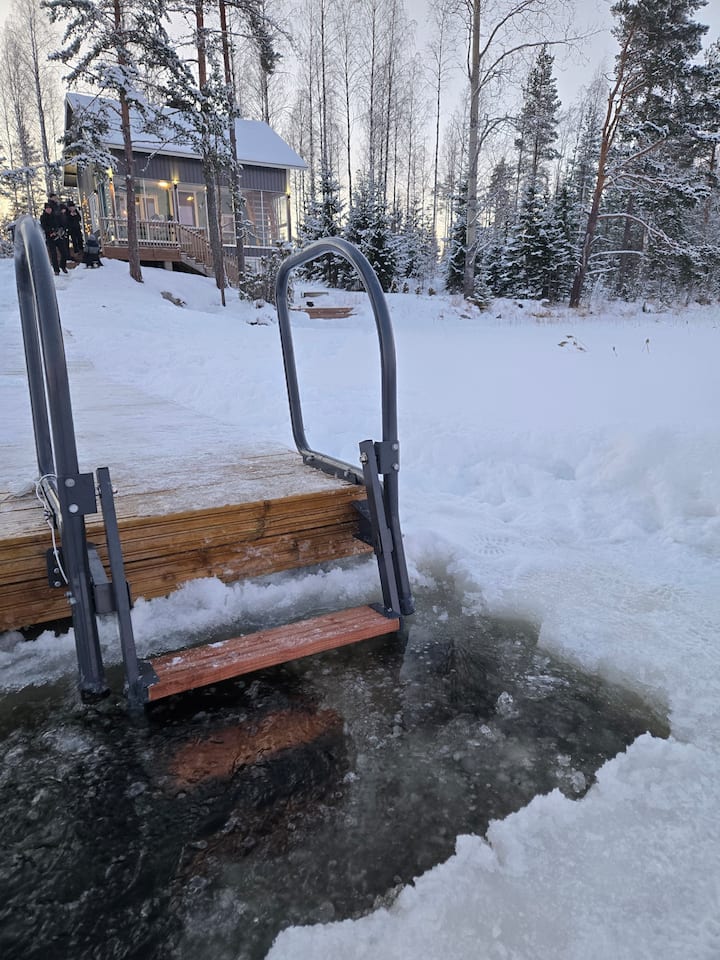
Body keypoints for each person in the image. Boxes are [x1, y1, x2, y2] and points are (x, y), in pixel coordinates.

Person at [40, 203, 69, 275]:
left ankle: (63, 265)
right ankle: (56, 270)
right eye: (47, 208)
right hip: (50, 238)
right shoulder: (43, 217)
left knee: (64, 252)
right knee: (53, 254)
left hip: (58, 236)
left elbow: (62, 224)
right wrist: (51, 231)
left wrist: (61, 230)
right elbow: (44, 227)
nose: (48, 210)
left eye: (49, 208)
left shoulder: (56, 215)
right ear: (45, 209)